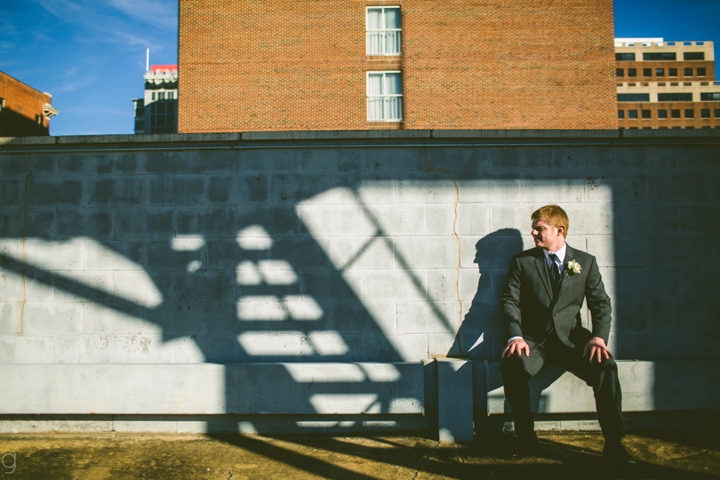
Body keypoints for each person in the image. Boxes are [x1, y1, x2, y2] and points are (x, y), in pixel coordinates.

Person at [500, 204, 635, 465]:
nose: (533, 233)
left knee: (606, 366)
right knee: (511, 365)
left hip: (572, 341)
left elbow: (601, 303)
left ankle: (614, 444)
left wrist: (598, 337)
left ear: (559, 230)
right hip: (534, 342)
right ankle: (526, 438)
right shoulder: (522, 261)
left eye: (539, 228)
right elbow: (509, 300)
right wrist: (515, 336)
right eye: (533, 228)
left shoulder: (585, 262)